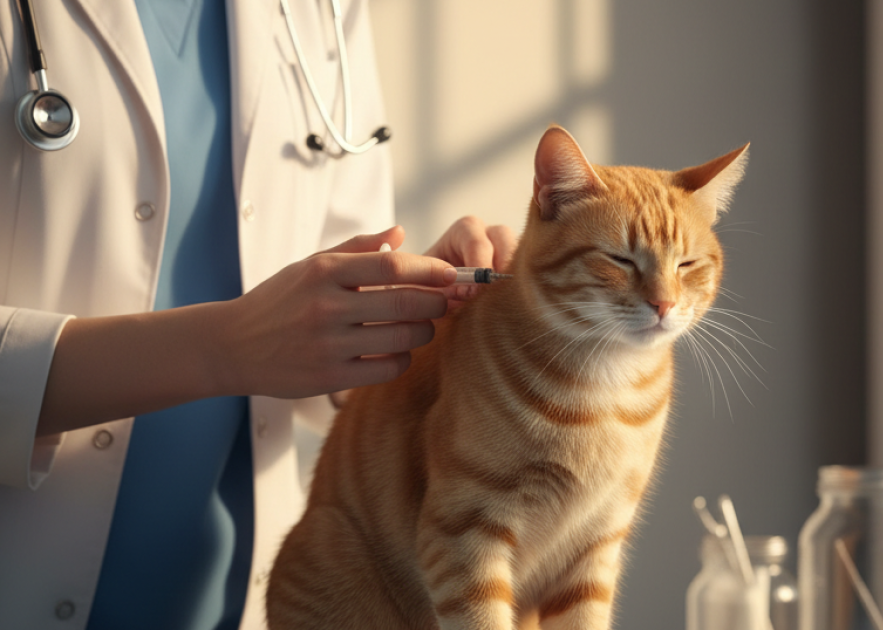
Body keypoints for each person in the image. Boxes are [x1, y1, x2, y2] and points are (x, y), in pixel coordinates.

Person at [0, 0, 515, 628]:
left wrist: (421, 318)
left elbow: (335, 349)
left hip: (245, 600)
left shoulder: (322, 10)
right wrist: (226, 348)